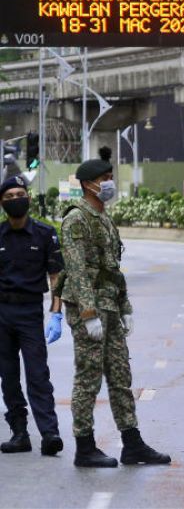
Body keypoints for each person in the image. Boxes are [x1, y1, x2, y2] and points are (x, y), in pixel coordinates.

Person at [61, 147, 170, 468]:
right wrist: (88, 314)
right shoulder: (76, 218)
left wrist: (126, 308)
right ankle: (84, 446)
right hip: (89, 310)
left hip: (110, 304)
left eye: (110, 178)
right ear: (87, 184)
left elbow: (113, 269)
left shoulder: (105, 219)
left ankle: (132, 443)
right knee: (88, 377)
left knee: (120, 376)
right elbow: (77, 269)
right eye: (103, 179)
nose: (109, 184)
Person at [0, 175, 64, 456]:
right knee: (9, 376)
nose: (16, 199)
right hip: (1, 312)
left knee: (38, 374)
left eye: (19, 194)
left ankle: (50, 433)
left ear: (28, 196)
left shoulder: (44, 233)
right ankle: (19, 433)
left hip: (29, 311)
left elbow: (56, 275)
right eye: (9, 196)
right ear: (2, 203)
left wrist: (56, 313)